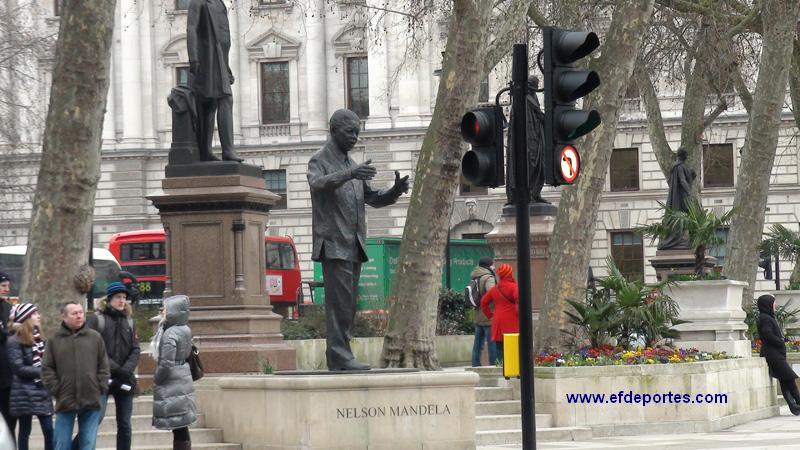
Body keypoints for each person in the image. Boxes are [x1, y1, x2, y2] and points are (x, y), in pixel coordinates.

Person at [307, 109, 410, 371]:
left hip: (353, 245)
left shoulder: (351, 166)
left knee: (349, 304)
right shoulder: (319, 161)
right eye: (349, 132)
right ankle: (340, 356)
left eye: (357, 132)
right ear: (334, 130)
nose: (354, 137)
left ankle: (341, 355)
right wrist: (351, 175)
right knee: (338, 304)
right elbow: (318, 184)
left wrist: (394, 192)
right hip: (333, 244)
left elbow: (373, 198)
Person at [74, 282, 140, 450]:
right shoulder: (97, 320)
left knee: (125, 423)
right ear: (109, 299)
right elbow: (92, 348)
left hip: (125, 378)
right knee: (96, 418)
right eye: (118, 297)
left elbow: (135, 348)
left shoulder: (130, 322)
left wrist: (126, 370)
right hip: (101, 378)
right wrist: (116, 368)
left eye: (124, 298)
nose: (122, 301)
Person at [42, 301, 109, 450]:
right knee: (62, 444)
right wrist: (56, 389)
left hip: (91, 399)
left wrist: (100, 386)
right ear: (64, 317)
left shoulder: (95, 337)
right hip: (65, 400)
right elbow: (47, 368)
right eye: (75, 313)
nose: (79, 316)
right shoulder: (54, 340)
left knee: (88, 444)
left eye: (81, 312)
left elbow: (104, 366)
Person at [186, 0, 243, 163]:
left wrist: (226, 67)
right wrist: (194, 58)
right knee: (222, 99)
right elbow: (191, 28)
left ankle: (207, 152)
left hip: (219, 59)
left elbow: (223, 39)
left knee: (210, 104)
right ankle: (226, 150)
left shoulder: (219, 3)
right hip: (207, 58)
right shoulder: (199, 2)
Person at [151, 295, 197, 450]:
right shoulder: (185, 329)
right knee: (182, 424)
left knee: (179, 426)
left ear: (174, 311)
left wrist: (157, 377)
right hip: (183, 377)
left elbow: (166, 363)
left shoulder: (170, 333)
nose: (162, 311)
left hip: (173, 382)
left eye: (165, 309)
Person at [6, 303, 53, 450]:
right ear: (26, 318)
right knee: (25, 430)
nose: (38, 316)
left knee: (49, 429)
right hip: (23, 392)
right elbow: (18, 368)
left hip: (41, 390)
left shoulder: (39, 338)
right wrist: (44, 371)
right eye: (34, 314)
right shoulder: (14, 341)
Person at [756, 294, 800, 415]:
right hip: (773, 354)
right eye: (773, 303)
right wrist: (780, 341)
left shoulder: (767, 317)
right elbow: (767, 334)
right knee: (789, 378)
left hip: (775, 353)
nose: (775, 305)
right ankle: (796, 404)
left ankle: (795, 406)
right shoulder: (765, 318)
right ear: (768, 304)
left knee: (785, 380)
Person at [658, 147, 696, 250]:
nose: (687, 156)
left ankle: (680, 239)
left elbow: (685, 179)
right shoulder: (679, 166)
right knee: (686, 216)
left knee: (686, 217)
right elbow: (683, 181)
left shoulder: (680, 166)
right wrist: (689, 192)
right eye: (686, 155)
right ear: (683, 155)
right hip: (681, 198)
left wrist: (691, 175)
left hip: (681, 197)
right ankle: (676, 240)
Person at [480, 264, 519, 361]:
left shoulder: (495, 289)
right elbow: (519, 301)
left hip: (497, 320)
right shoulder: (514, 287)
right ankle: (513, 368)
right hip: (512, 320)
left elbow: (483, 302)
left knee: (499, 347)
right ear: (510, 274)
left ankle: (501, 366)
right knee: (513, 346)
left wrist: (490, 315)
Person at [470, 257, 497, 366]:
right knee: (492, 343)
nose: (494, 267)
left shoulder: (474, 276)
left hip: (478, 314)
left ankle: (475, 365)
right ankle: (494, 364)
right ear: (489, 266)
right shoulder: (488, 278)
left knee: (478, 344)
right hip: (488, 315)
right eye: (493, 265)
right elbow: (492, 293)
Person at [0, 272, 15, 439]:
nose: (6, 289)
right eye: (3, 286)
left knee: (10, 419)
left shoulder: (9, 308)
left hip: (8, 375)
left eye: (7, 286)